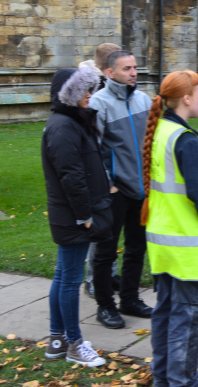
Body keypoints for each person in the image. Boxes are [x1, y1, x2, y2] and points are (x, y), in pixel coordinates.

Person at [142, 70, 198, 387]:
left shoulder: (159, 130)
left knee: (165, 314)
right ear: (186, 98)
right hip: (189, 248)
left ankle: (163, 378)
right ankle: (184, 381)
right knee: (187, 321)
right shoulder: (185, 140)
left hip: (163, 244)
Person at [41, 66, 109, 367]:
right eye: (84, 90)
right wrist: (85, 215)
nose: (89, 95)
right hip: (73, 215)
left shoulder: (71, 122)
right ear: (68, 94)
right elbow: (71, 176)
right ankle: (73, 344)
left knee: (62, 275)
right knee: (70, 280)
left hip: (71, 214)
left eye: (91, 89)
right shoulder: (63, 127)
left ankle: (57, 340)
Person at [90, 50, 153, 328]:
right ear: (109, 72)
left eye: (134, 68)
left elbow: (152, 141)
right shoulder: (98, 103)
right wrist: (108, 183)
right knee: (105, 252)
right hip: (116, 193)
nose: (133, 73)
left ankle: (130, 300)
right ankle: (105, 306)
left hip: (142, 191)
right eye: (126, 68)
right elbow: (91, 150)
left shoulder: (143, 100)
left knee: (136, 248)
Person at [82, 43, 121, 298]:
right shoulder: (94, 96)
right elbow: (93, 143)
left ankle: (110, 273)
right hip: (101, 176)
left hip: (118, 174)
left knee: (111, 230)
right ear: (109, 68)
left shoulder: (109, 89)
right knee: (100, 231)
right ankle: (93, 279)